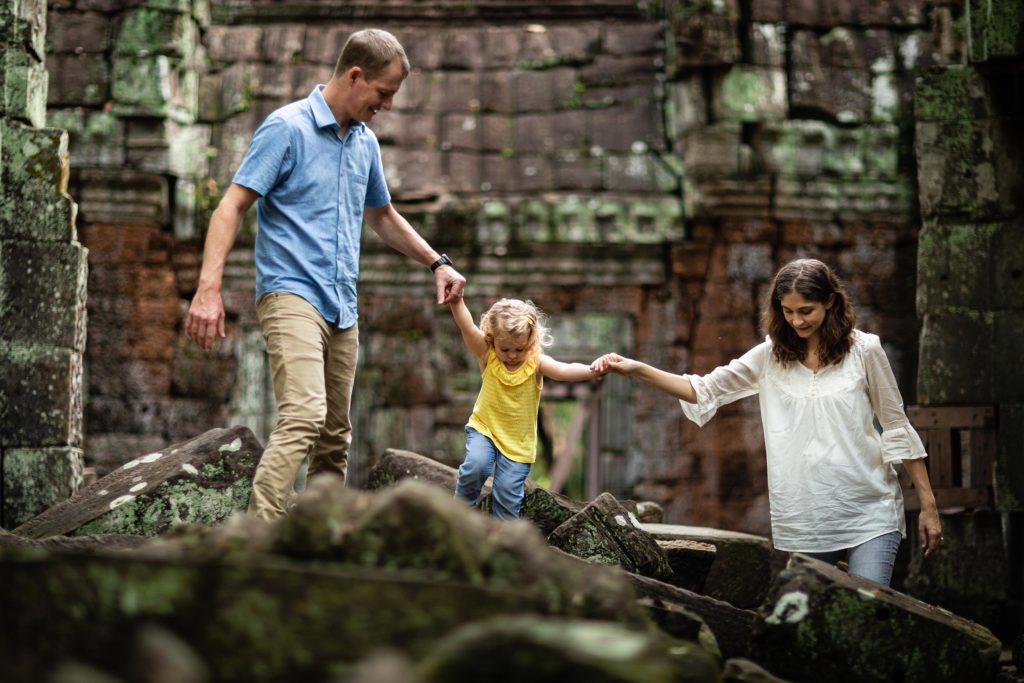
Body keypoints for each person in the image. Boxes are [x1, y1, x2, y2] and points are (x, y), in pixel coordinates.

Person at [185, 29, 466, 521]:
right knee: (305, 415)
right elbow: (230, 206)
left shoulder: (365, 143)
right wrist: (208, 288)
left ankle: (315, 540)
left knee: (334, 437)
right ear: (354, 76)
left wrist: (437, 262)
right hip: (291, 293)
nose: (389, 104)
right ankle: (258, 538)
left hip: (342, 303)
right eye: (384, 92)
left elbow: (382, 216)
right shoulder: (286, 128)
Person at [591, 258, 941, 586]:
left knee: (868, 611)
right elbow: (702, 390)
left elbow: (896, 426)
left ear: (831, 301)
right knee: (806, 628)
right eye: (788, 312)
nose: (797, 321)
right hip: (806, 517)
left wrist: (927, 505)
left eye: (807, 311)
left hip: (869, 509)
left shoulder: (865, 351)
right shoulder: (770, 356)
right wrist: (636, 369)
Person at [449, 296, 605, 519]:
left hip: (518, 444)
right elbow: (467, 326)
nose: (512, 356)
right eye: (505, 349)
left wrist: (594, 370)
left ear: (531, 341)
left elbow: (565, 370)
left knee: (507, 495)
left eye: (519, 349)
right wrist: (456, 301)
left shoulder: (536, 362)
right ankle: (457, 517)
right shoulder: (488, 354)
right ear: (492, 340)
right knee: (476, 465)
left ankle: (506, 543)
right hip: (485, 430)